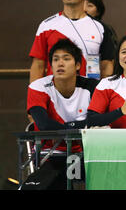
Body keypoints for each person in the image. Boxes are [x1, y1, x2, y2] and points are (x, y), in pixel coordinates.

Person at [24, 39, 98, 190]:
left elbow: (100, 121)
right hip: (50, 155)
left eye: (66, 58)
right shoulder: (38, 87)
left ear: (78, 65)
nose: (60, 63)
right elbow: (44, 125)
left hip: (87, 155)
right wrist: (80, 127)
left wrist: (67, 128)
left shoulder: (93, 87)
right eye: (55, 59)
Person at [29, 0, 115, 83]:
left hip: (90, 95)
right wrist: (36, 96)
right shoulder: (46, 26)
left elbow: (106, 66)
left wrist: (105, 96)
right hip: (55, 95)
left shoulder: (100, 28)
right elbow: (38, 65)